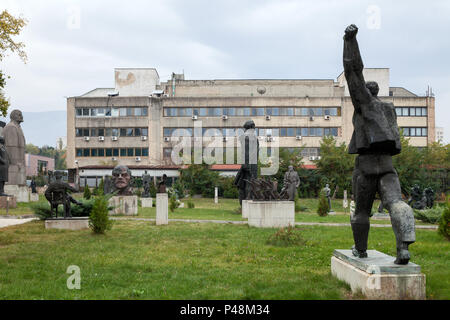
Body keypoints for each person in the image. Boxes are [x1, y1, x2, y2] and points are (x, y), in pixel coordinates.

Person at [343, 24, 415, 264]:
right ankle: (403, 249)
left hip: (366, 165)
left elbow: (353, 71)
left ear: (366, 92)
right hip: (386, 163)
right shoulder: (388, 108)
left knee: (362, 211)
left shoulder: (364, 103)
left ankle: (360, 250)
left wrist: (349, 41)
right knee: (395, 202)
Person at [234, 120, 259, 205]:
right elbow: (246, 152)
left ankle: (245, 203)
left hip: (249, 164)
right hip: (250, 165)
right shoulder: (248, 138)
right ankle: (247, 203)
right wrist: (246, 165)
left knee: (245, 184)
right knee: (247, 184)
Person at [2, 110, 26, 185]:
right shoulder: (11, 127)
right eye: (19, 115)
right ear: (13, 116)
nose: (21, 116)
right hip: (14, 164)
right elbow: (11, 147)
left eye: (21, 114)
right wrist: (15, 163)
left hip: (18, 164)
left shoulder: (17, 127)